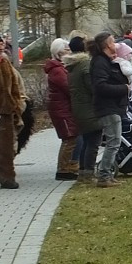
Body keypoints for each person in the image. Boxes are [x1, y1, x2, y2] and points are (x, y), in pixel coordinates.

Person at [90, 32, 131, 188]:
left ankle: (106, 175)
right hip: (107, 107)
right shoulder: (100, 62)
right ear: (107, 45)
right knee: (113, 142)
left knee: (114, 141)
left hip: (112, 106)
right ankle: (104, 176)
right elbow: (100, 86)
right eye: (113, 42)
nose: (116, 45)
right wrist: (123, 88)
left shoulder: (106, 61)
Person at [44, 38, 79, 181]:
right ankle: (63, 169)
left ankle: (68, 166)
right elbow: (68, 88)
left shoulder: (60, 68)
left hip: (63, 108)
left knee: (70, 137)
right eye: (67, 49)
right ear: (59, 52)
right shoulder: (58, 70)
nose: (69, 52)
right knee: (69, 137)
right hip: (61, 109)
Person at [67, 36, 100, 184]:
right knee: (93, 142)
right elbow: (91, 87)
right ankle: (88, 173)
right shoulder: (85, 64)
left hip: (79, 107)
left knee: (86, 140)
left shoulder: (73, 64)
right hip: (89, 108)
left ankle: (82, 172)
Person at [0, 36, 26, 189]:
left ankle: (7, 177)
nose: (1, 52)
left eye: (2, 49)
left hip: (7, 111)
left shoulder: (5, 63)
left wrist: (17, 104)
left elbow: (15, 85)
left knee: (7, 147)